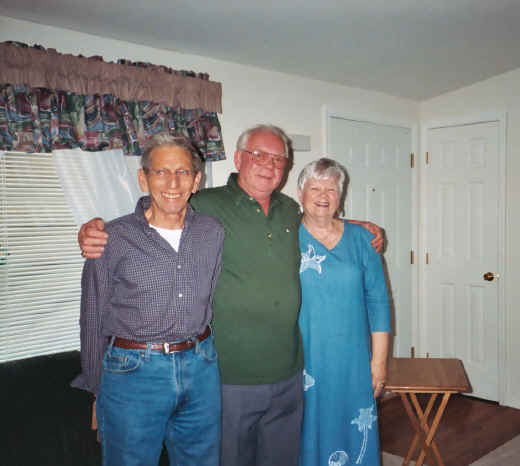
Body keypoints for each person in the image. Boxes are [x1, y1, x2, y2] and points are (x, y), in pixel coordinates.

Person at [78, 124, 384, 466]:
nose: (268, 164)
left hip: (285, 372)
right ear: (238, 159)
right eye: (258, 155)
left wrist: (360, 228)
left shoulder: (283, 212)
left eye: (277, 158)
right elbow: (164, 205)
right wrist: (94, 228)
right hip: (226, 375)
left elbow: (320, 218)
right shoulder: (207, 206)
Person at [71, 132, 225, 466]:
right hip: (133, 372)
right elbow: (92, 315)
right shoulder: (111, 238)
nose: (173, 182)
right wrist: (97, 389)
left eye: (183, 172)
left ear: (196, 180)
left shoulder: (212, 232)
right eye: (161, 172)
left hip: (201, 366)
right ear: (143, 178)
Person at [296, 158, 390, 466]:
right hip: (304, 359)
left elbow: (378, 302)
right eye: (315, 188)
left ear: (341, 195)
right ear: (300, 194)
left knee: (354, 430)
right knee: (308, 431)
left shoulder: (363, 239)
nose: (323, 196)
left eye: (331, 189)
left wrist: (378, 363)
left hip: (353, 359)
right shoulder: (286, 236)